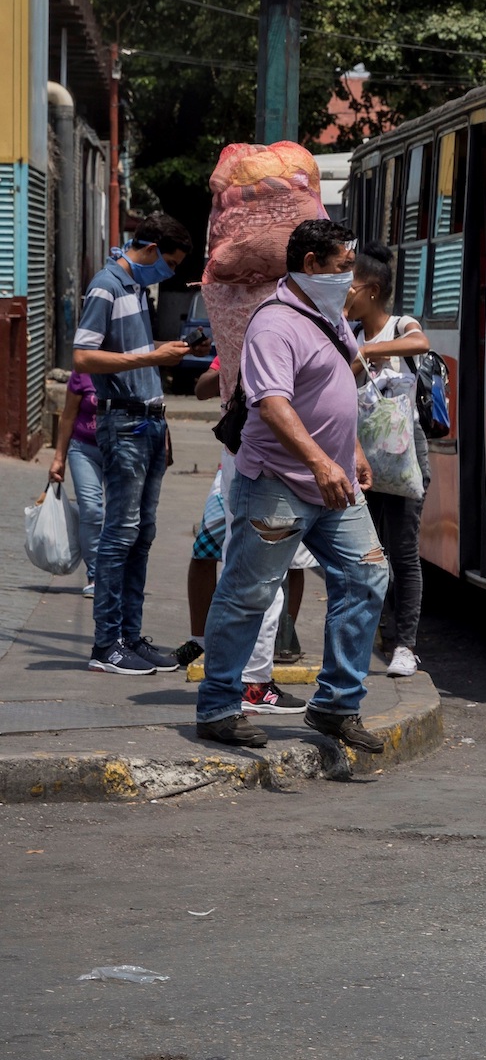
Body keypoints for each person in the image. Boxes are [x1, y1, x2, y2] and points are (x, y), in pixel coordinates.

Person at [194, 219, 388, 751]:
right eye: (342, 268)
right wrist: (320, 463)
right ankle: (217, 707)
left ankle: (335, 706)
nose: (349, 280)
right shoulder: (274, 324)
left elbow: (341, 382)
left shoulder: (331, 317)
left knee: (367, 576)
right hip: (279, 483)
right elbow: (273, 403)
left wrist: (351, 453)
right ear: (311, 266)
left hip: (336, 483)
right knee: (248, 593)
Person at [73, 214, 195, 675]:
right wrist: (150, 356)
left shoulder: (135, 289)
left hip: (149, 422)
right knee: (120, 534)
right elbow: (83, 356)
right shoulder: (105, 286)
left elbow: (133, 353)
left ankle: (129, 636)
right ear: (147, 248)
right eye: (168, 262)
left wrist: (166, 352)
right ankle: (106, 645)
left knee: (142, 535)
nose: (168, 273)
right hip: (123, 423)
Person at [173, 359, 312, 715]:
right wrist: (237, 367)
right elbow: (204, 387)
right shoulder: (261, 329)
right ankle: (249, 683)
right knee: (255, 575)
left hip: (250, 460)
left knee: (260, 574)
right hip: (261, 460)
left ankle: (244, 678)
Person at [349, 242, 430, 679]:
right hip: (363, 453)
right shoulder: (352, 335)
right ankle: (377, 635)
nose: (345, 295)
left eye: (352, 287)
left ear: (373, 291)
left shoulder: (399, 325)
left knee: (403, 551)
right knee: (369, 552)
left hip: (404, 455)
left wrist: (374, 353)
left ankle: (406, 645)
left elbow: (421, 341)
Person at [48, 370, 103, 599]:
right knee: (91, 510)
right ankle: (95, 576)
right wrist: (59, 458)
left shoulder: (130, 364)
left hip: (121, 448)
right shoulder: (82, 373)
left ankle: (118, 574)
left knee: (123, 517)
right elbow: (68, 415)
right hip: (84, 450)